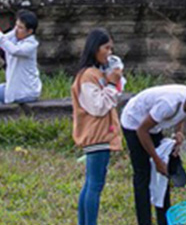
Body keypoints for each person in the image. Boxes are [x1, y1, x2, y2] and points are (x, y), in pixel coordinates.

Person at [120, 84, 186, 225]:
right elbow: (142, 131)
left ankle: (163, 220)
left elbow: (183, 113)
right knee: (142, 174)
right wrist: (157, 161)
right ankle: (144, 221)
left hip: (152, 125)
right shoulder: (168, 104)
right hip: (134, 122)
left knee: (163, 175)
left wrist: (178, 132)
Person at [72, 28, 123, 225]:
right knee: (95, 184)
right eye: (106, 48)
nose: (109, 53)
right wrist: (110, 86)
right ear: (95, 49)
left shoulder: (94, 74)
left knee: (91, 183)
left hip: (98, 135)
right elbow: (98, 107)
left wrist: (114, 81)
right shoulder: (88, 76)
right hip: (97, 135)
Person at [0, 10, 42, 105]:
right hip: (12, 88)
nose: (16, 29)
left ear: (29, 31)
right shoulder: (15, 36)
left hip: (26, 93)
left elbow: (14, 50)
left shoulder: (31, 45)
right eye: (16, 25)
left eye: (20, 27)